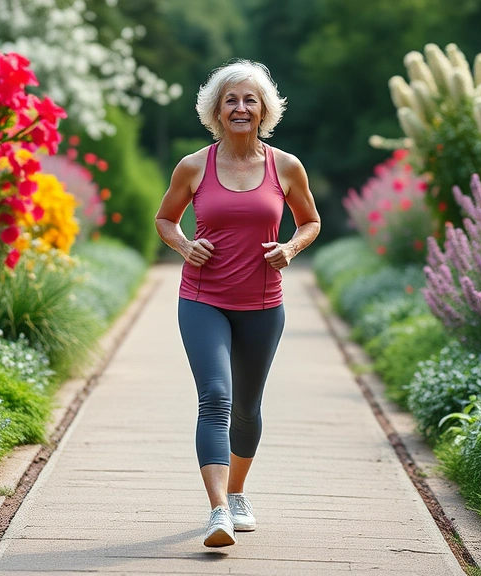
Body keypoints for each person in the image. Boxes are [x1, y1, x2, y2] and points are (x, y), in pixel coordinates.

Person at [154, 60, 321, 548]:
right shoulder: (193, 166)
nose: (241, 108)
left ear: (264, 109)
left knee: (247, 408)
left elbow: (310, 222)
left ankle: (237, 492)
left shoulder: (286, 166)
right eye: (231, 100)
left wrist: (290, 248)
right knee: (216, 397)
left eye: (250, 100)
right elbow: (165, 219)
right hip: (203, 299)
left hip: (263, 304)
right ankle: (218, 511)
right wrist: (185, 245)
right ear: (217, 111)